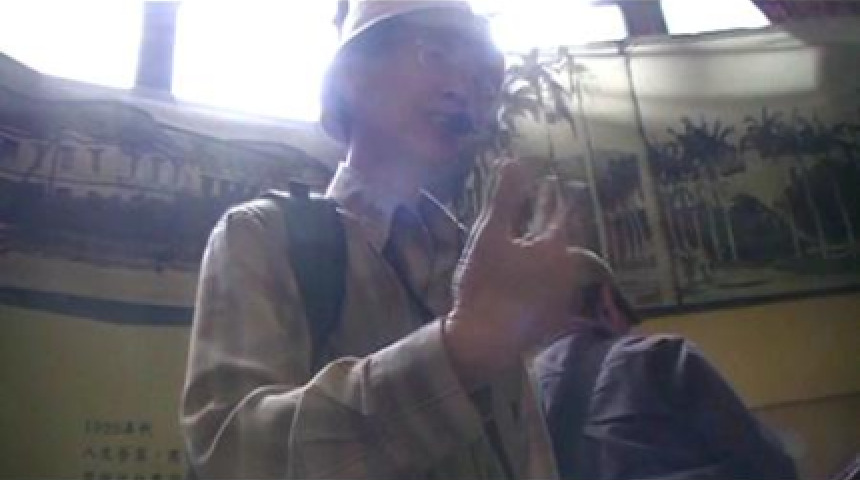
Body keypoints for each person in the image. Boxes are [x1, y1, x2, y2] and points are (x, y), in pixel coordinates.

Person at [180, 1, 606, 478]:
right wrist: (458, 351)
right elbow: (231, 455)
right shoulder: (264, 236)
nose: (462, 90)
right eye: (434, 54)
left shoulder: (475, 262)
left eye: (478, 78)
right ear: (351, 78)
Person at [534, 281, 798, 480]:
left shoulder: (525, 396)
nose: (629, 332)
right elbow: (767, 464)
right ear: (607, 301)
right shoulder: (662, 356)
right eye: (628, 320)